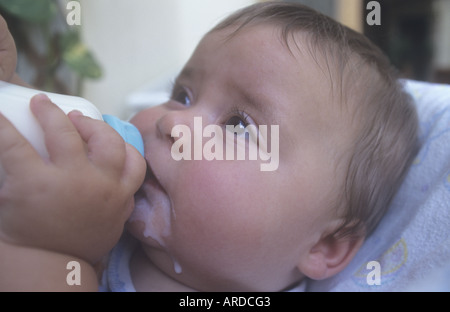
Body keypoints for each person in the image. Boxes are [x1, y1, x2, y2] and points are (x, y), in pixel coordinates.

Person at [0, 2, 418, 291]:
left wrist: (53, 246)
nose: (171, 122)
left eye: (238, 126)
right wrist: (12, 90)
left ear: (323, 246)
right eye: (182, 94)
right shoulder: (102, 216)